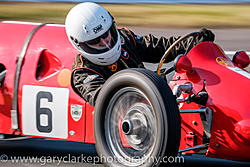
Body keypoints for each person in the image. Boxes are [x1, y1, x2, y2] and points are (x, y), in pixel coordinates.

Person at [65, 2, 215, 107]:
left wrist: (192, 42)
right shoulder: (83, 72)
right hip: (128, 122)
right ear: (81, 44)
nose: (106, 42)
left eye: (107, 34)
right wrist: (151, 86)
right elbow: (107, 100)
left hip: (152, 100)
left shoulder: (126, 38)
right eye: (96, 41)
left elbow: (159, 47)